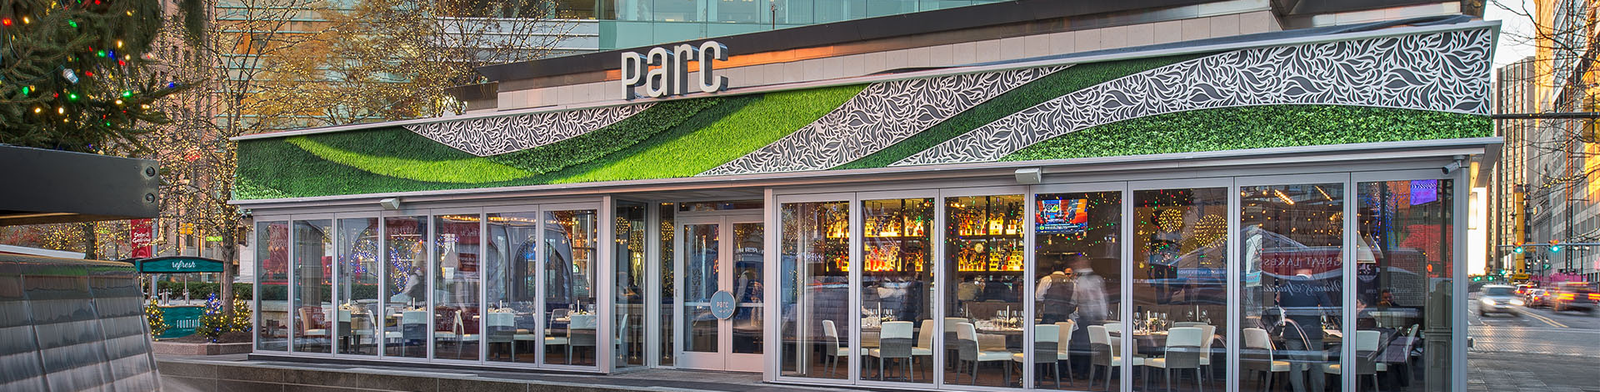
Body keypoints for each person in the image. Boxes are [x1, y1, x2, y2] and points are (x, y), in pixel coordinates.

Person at [1278, 268, 1335, 392]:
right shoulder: (1317, 285)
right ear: (1309, 271)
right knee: (1316, 364)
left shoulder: (1286, 286)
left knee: (1296, 364)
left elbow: (1282, 305)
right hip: (1312, 331)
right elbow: (1329, 307)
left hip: (1292, 330)